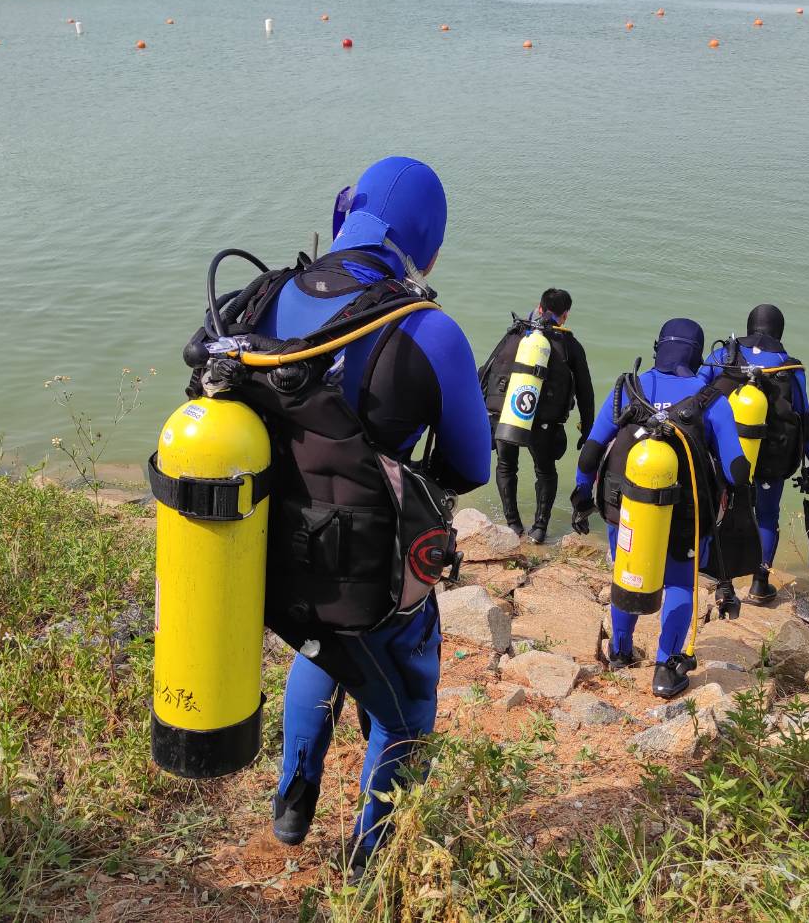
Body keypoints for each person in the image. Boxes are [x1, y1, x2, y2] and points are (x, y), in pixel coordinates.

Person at [221, 157, 491, 871]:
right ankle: (369, 863)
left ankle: (292, 800)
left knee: (320, 646)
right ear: (425, 240)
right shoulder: (428, 329)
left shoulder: (260, 299)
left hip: (273, 556)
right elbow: (471, 464)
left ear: (346, 215)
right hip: (367, 570)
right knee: (404, 707)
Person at [570, 319, 752, 699]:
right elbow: (737, 471)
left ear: (658, 347)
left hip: (628, 509)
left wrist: (582, 495)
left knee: (630, 573)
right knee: (679, 583)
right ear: (697, 353)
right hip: (685, 518)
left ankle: (619, 652)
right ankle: (666, 671)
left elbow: (590, 452)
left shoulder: (628, 388)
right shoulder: (711, 400)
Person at [702, 304, 809, 604]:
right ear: (779, 332)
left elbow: (696, 394)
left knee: (721, 512)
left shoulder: (722, 356)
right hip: (772, 458)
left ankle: (722, 584)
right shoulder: (790, 368)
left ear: (748, 327)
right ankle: (760, 585)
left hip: (727, 455)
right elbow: (805, 420)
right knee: (767, 516)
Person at [480, 289, 594, 542]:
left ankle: (513, 525)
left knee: (506, 466)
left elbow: (486, 371)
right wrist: (588, 430)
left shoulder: (514, 333)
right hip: (544, 423)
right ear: (565, 316)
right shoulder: (570, 345)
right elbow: (585, 391)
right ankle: (540, 528)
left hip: (505, 414)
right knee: (545, 471)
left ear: (539, 308)